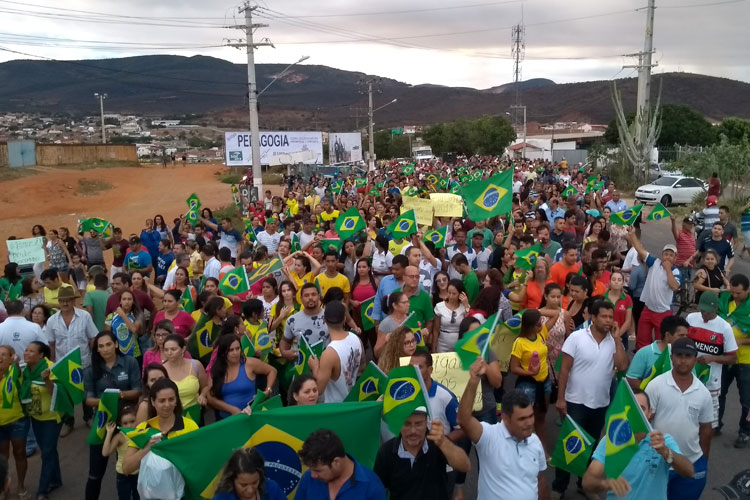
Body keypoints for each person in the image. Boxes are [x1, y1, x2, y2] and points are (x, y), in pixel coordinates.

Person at [553, 300, 629, 496]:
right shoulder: (577, 338)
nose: (608, 320)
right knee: (570, 446)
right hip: (576, 402)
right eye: (603, 316)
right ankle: (558, 487)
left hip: (601, 404)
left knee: (592, 447)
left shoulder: (613, 341)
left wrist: (618, 339)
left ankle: (584, 484)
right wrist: (561, 399)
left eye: (610, 317)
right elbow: (564, 370)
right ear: (593, 318)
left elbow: (622, 366)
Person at [582, 390, 694, 500]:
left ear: (650, 413)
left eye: (641, 408)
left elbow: (689, 471)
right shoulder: (611, 440)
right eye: (631, 409)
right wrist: (607, 484)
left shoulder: (663, 441)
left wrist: (666, 452)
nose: (636, 414)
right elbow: (588, 482)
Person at [458, 372, 548, 500]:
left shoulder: (535, 441)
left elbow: (540, 480)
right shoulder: (489, 436)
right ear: (505, 418)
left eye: (531, 416)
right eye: (522, 419)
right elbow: (464, 420)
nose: (529, 423)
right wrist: (473, 381)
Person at [645, 338, 714, 500]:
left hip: (691, 463)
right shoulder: (656, 385)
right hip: (659, 463)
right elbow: (644, 422)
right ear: (671, 358)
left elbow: (706, 429)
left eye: (688, 356)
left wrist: (703, 460)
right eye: (679, 355)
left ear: (695, 359)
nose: (683, 360)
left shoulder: (703, 393)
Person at [83, 331, 142, 500]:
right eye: (101, 346)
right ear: (97, 350)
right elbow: (88, 400)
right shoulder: (91, 369)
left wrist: (120, 395)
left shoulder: (129, 362)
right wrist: (106, 399)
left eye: (109, 344)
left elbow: (138, 391)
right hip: (103, 424)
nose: (105, 349)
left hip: (128, 423)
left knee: (130, 469)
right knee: (95, 473)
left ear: (116, 345)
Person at [374, 408, 470, 500]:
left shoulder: (438, 444)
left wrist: (444, 443)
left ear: (426, 423)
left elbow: (465, 466)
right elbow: (378, 489)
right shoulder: (386, 451)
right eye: (407, 424)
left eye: (418, 424)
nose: (413, 431)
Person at [45, 286, 99, 435]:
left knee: (86, 391)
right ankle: (68, 422)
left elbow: (92, 338)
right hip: (62, 364)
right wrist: (51, 363)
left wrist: (95, 358)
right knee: (66, 394)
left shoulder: (85, 316)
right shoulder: (51, 321)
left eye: (68, 300)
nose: (65, 303)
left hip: (84, 361)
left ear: (73, 301)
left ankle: (88, 417)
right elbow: (51, 344)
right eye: (62, 301)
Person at [121, 378, 199, 476]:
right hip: (151, 489)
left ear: (176, 401)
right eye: (162, 401)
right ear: (153, 402)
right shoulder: (143, 428)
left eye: (171, 399)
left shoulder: (190, 426)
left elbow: (198, 461)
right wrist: (146, 448)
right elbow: (126, 468)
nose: (167, 405)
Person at [686, 291, 737, 431]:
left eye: (707, 312)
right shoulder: (691, 319)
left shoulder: (724, 328)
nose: (704, 315)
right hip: (689, 376)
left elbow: (733, 357)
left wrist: (713, 358)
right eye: (702, 310)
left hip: (712, 381)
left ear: (716, 308)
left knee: (707, 423)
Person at [626, 228, 681, 351]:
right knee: (642, 342)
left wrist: (667, 269)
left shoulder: (676, 271)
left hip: (663, 313)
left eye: (671, 255)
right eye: (666, 254)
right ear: (662, 255)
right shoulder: (654, 262)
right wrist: (633, 234)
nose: (667, 257)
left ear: (675, 258)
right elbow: (640, 249)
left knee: (660, 344)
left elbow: (674, 286)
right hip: (648, 309)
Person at [295, 429, 386, 500]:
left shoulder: (372, 487)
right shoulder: (308, 478)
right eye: (311, 469)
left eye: (318, 470)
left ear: (336, 462)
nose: (313, 475)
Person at [21, 341, 62, 500]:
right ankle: (57, 480)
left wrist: (47, 380)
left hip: (52, 418)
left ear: (41, 355)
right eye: (26, 350)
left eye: (31, 351)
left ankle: (42, 491)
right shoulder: (24, 369)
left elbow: (57, 395)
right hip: (36, 417)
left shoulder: (50, 368)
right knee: (49, 449)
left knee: (46, 452)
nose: (26, 353)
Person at [207, 335, 276, 419]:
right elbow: (210, 397)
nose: (235, 353)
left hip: (250, 415)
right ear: (223, 352)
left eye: (238, 348)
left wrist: (268, 390)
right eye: (231, 350)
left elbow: (272, 371)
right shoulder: (216, 370)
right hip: (226, 420)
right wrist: (232, 409)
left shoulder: (249, 363)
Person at [510, 309, 551, 452]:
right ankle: (524, 449)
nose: (542, 325)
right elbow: (513, 368)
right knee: (525, 418)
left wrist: (538, 311)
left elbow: (556, 313)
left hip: (545, 381)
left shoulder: (541, 334)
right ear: (530, 326)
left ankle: (543, 449)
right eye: (538, 323)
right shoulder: (519, 342)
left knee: (541, 416)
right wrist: (529, 372)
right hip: (528, 384)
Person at [718, 274, 750, 447]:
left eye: (739, 293)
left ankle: (745, 432)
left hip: (745, 361)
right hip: (724, 358)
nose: (735, 295)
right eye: (733, 291)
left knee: (747, 400)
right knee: (718, 393)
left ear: (747, 290)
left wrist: (740, 341)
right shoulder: (724, 299)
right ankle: (716, 424)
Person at [309, 302, 363, 403]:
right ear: (344, 319)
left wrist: (315, 367)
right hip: (353, 400)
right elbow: (362, 368)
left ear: (324, 320)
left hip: (336, 405)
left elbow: (318, 390)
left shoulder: (329, 353)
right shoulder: (356, 338)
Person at [626, 315, 690, 389]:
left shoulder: (687, 356)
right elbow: (632, 379)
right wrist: (649, 394)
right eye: (681, 335)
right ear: (667, 335)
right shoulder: (644, 353)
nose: (685, 339)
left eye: (686, 336)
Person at [409, 350, 460, 441]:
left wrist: (443, 444)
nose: (413, 371)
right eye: (411, 367)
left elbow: (461, 429)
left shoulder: (446, 397)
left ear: (430, 370)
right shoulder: (404, 395)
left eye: (419, 367)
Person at [0, 345, 29, 500]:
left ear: (11, 358)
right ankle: (4, 485)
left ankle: (21, 485)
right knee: (3, 457)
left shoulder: (16, 374)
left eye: (4, 354)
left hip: (18, 421)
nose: (0, 357)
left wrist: (16, 363)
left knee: (19, 453)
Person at [161, 334, 208, 424]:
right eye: (166, 350)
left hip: (195, 413)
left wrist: (202, 395)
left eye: (173, 349)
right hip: (173, 417)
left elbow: (205, 386)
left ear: (183, 349)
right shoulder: (161, 370)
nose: (169, 353)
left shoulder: (195, 365)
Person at [212, 447, 286, 500]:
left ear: (261, 477)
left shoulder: (272, 489)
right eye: (243, 485)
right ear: (232, 480)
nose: (250, 490)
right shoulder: (221, 498)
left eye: (255, 482)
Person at [279, 284, 329, 361]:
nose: (310, 298)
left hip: (327, 364)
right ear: (301, 299)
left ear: (319, 296)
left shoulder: (330, 316)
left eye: (313, 294)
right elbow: (285, 340)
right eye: (306, 295)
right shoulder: (292, 320)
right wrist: (284, 352)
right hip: (303, 367)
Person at [101, 406, 139, 500]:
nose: (129, 425)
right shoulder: (120, 437)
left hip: (139, 473)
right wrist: (109, 433)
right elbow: (105, 453)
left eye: (132, 421)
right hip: (123, 474)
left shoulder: (141, 433)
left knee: (139, 497)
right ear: (120, 424)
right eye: (125, 423)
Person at [432, 280, 470, 353]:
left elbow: (468, 324)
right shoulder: (440, 306)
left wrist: (466, 305)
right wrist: (434, 349)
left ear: (460, 294)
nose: (451, 296)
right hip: (442, 343)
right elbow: (435, 330)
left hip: (459, 343)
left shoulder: (464, 307)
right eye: (449, 293)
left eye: (454, 293)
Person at [105, 290, 144, 359]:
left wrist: (123, 315)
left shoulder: (137, 315)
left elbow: (134, 329)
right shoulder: (111, 317)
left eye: (129, 299)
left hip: (134, 354)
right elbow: (107, 336)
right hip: (117, 354)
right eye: (124, 299)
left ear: (133, 301)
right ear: (120, 301)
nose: (127, 302)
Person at [371, 255, 409, 323]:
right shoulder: (385, 281)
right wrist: (376, 321)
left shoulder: (412, 283)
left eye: (397, 269)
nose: (394, 271)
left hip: (408, 324)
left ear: (406, 268)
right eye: (392, 269)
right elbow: (378, 300)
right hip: (387, 323)